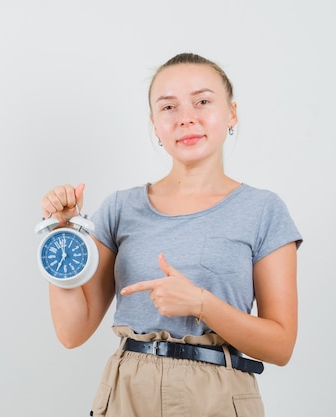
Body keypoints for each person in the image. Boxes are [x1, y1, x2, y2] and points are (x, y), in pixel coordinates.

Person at [39, 52, 302, 417]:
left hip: (219, 396)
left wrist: (201, 304)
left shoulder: (263, 210)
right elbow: (72, 332)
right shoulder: (120, 209)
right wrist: (63, 237)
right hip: (128, 393)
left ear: (231, 114)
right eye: (169, 107)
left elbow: (281, 345)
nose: (186, 118)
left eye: (203, 101)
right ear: (154, 123)